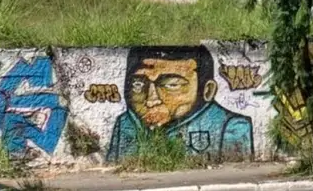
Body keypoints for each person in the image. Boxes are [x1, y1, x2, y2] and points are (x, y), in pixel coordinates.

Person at [106, 47, 253, 161]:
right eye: (138, 85)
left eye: (172, 85)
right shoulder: (127, 122)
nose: (152, 100)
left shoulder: (230, 126)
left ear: (207, 90)